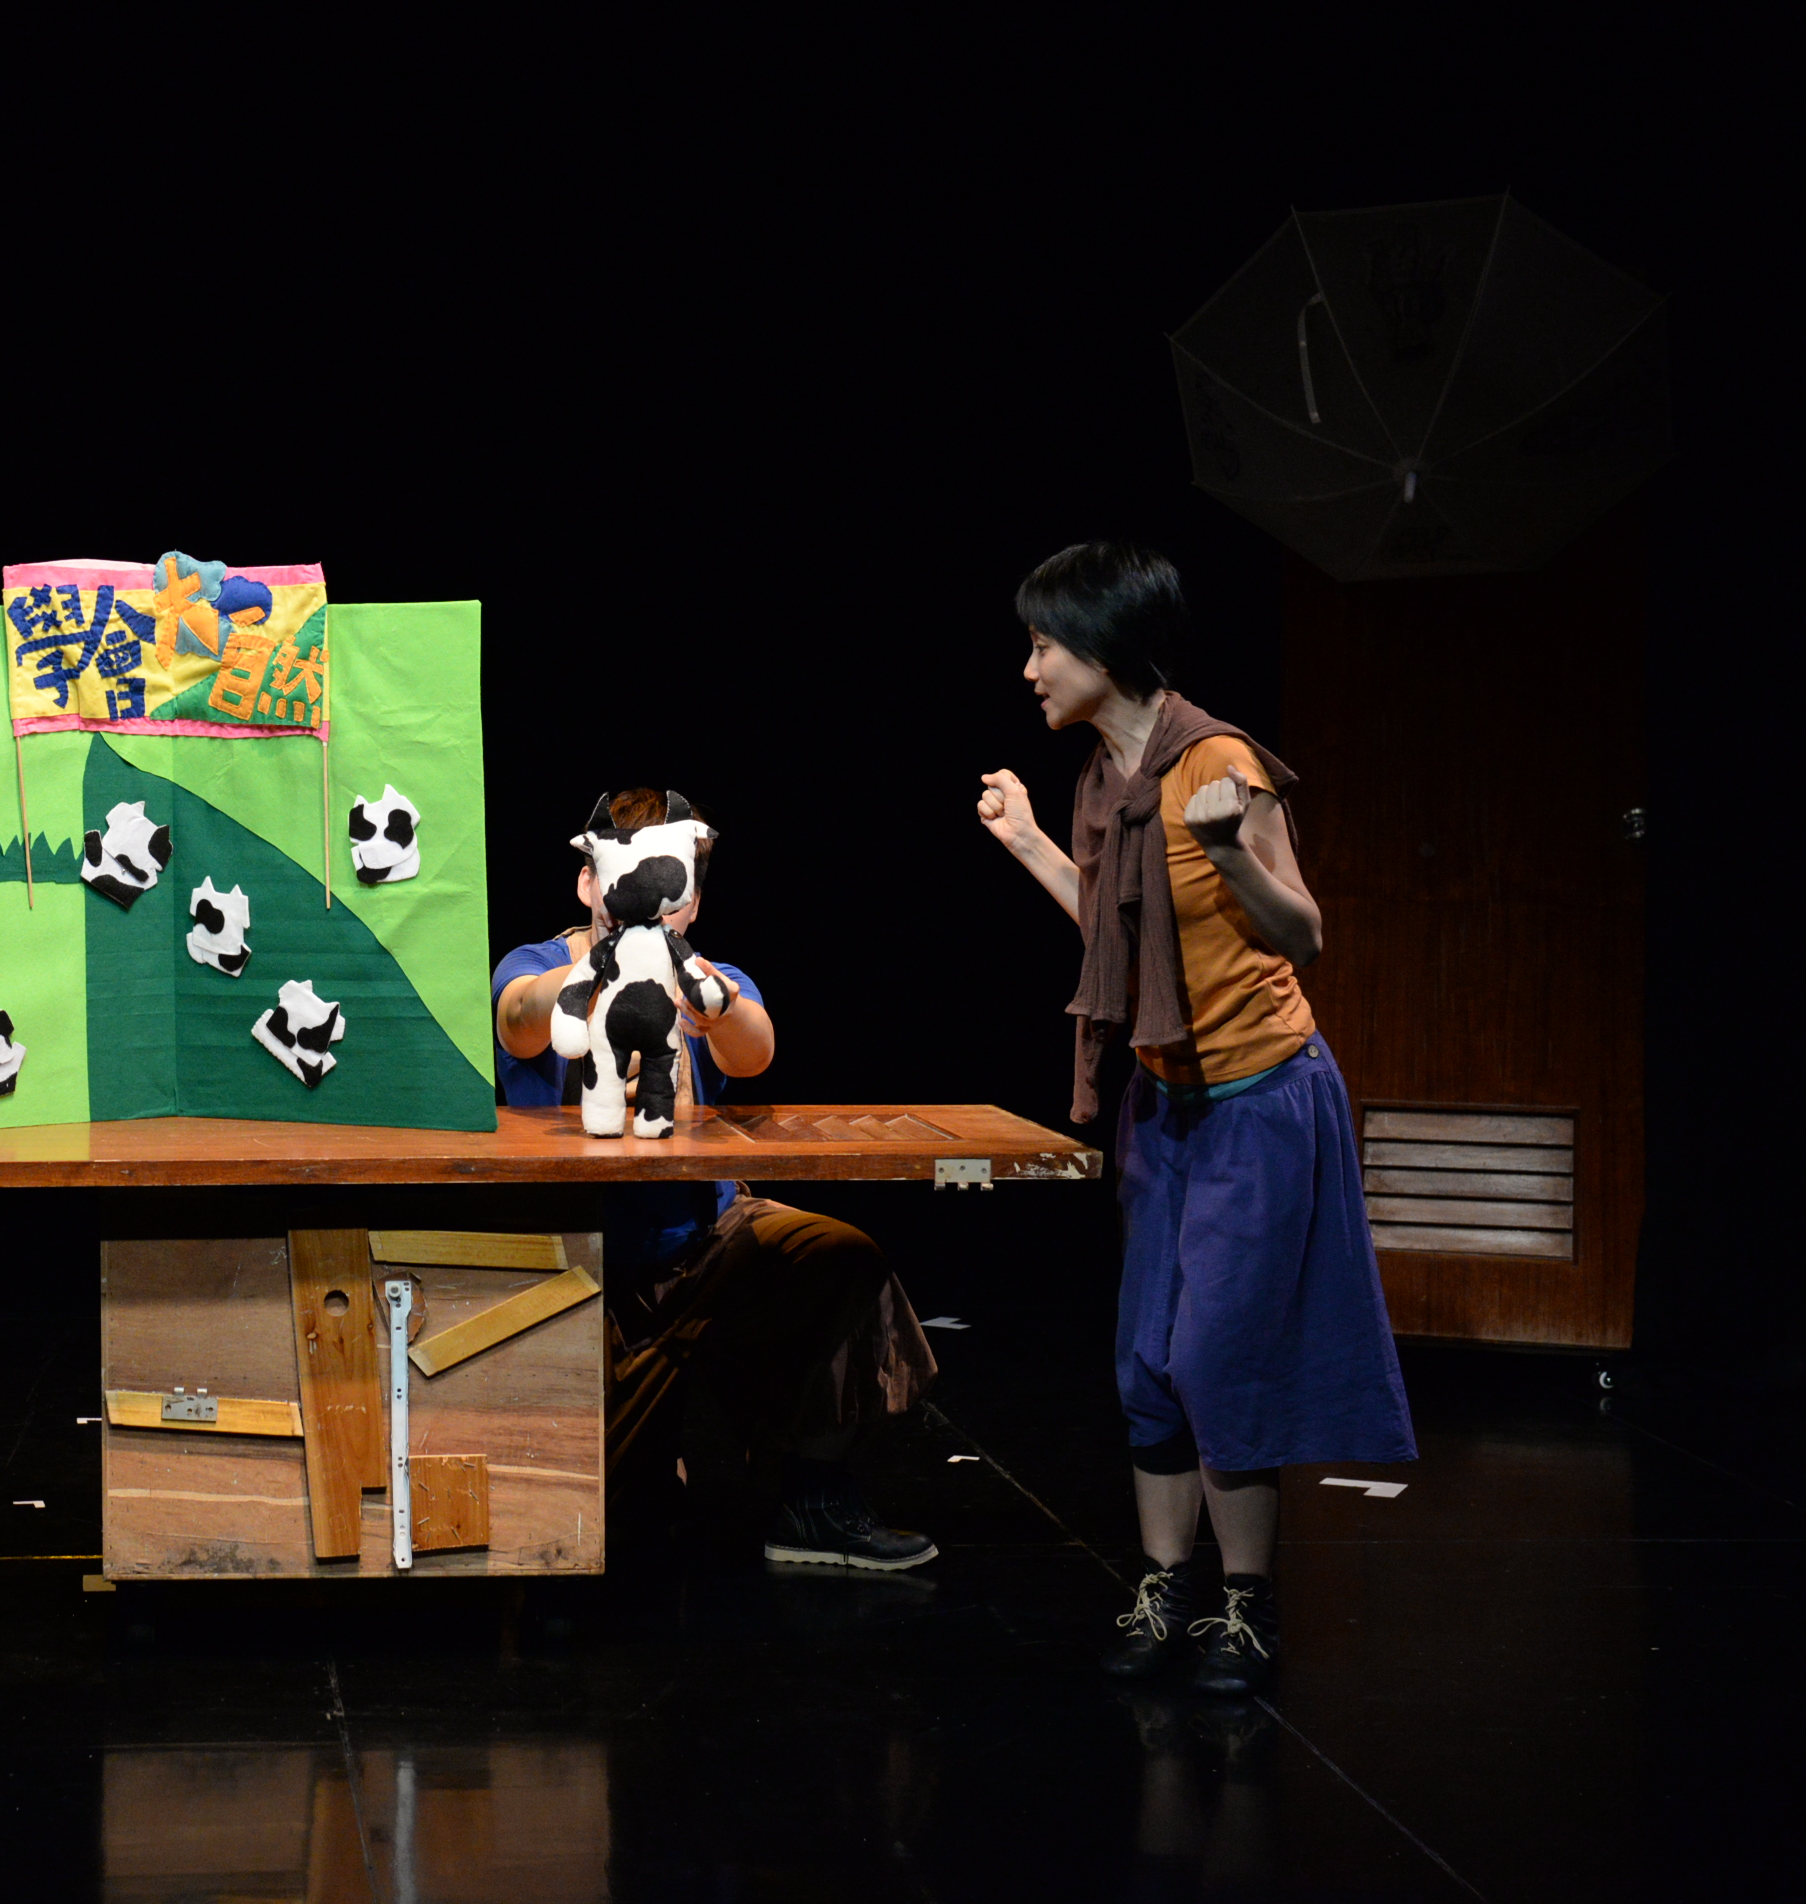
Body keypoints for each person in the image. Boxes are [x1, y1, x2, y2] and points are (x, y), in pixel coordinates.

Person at [973, 541, 1412, 1694]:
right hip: (1161, 1102)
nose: (1029, 668)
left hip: (1258, 1099)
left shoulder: (1217, 762)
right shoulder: (1100, 781)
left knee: (1218, 1357)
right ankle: (1164, 1586)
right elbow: (1113, 939)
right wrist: (1026, 842)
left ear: (1104, 643)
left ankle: (1246, 1601)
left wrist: (1224, 847)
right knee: (1143, 1362)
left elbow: (1302, 930)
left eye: (1043, 643)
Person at [494, 789, 940, 1570]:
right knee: (608, 1533)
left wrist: (707, 997)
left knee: (838, 1257)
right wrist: (600, 966)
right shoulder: (538, 964)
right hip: (576, 1260)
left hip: (702, 1240)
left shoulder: (709, 974)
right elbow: (519, 1020)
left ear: (691, 899)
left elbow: (753, 1049)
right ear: (589, 880)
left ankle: (814, 1500)